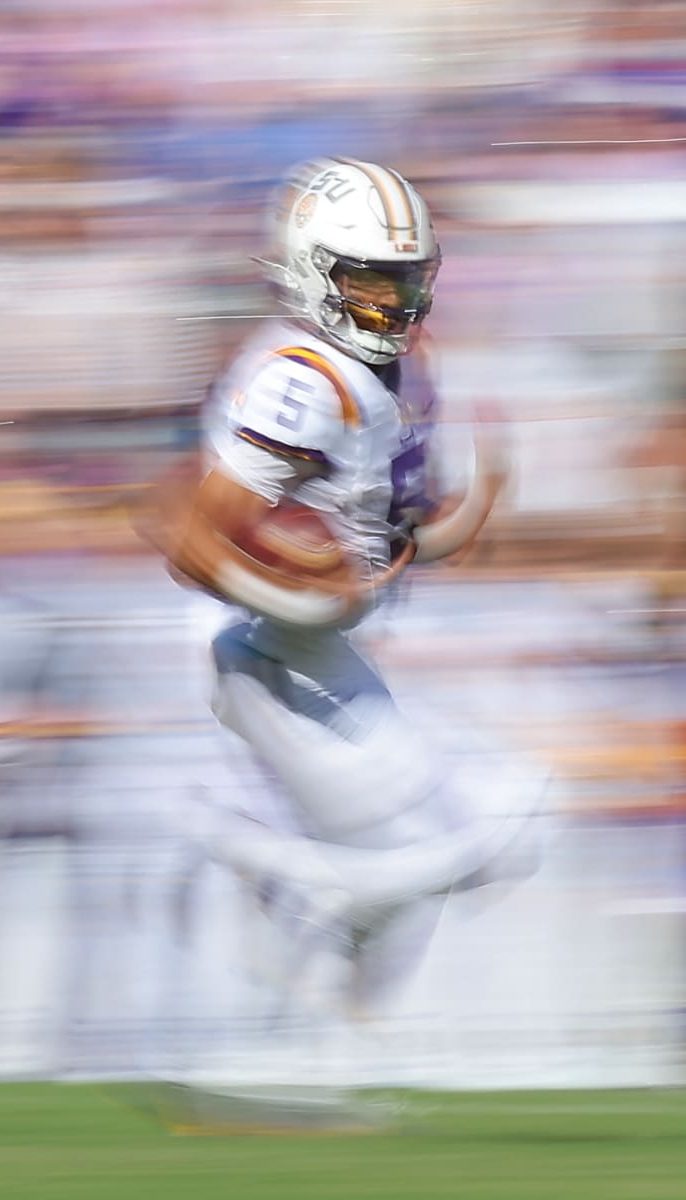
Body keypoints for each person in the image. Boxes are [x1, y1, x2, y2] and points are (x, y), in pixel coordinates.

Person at [141, 158, 543, 1130]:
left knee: (506, 830)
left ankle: (302, 1033)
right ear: (312, 271)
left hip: (320, 653)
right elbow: (192, 538)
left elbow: (397, 536)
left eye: (405, 282)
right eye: (369, 281)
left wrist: (458, 519)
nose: (393, 303)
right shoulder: (299, 376)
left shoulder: (400, 367)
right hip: (258, 651)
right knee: (435, 844)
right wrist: (303, 596)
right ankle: (247, 863)